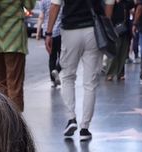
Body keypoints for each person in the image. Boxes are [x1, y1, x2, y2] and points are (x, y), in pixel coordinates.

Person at [44, 0, 115, 141]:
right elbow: (110, 3)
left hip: (70, 30)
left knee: (68, 77)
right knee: (90, 83)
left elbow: (55, 5)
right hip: (93, 30)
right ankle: (85, 128)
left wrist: (49, 32)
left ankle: (71, 119)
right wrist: (104, 23)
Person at [0, 0, 33, 112]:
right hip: (14, 36)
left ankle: (2, 121)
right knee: (15, 85)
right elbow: (30, 5)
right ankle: (15, 124)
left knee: (0, 82)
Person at [40, 0, 62, 86]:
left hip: (47, 31)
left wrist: (38, 31)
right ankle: (56, 70)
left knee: (52, 57)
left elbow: (41, 17)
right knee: (63, 56)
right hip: (59, 32)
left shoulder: (43, 1)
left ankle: (53, 81)